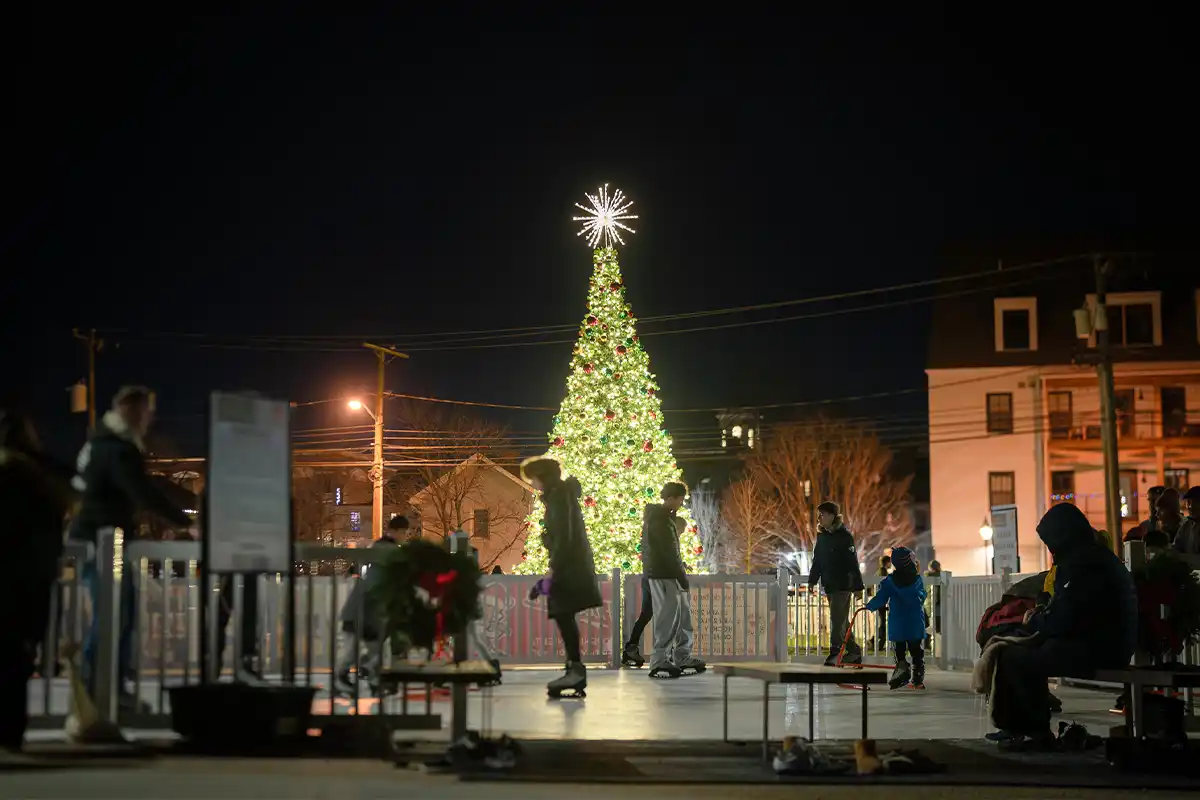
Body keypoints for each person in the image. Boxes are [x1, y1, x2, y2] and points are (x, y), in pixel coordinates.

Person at [69, 387, 193, 704]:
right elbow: (142, 491)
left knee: (118, 610)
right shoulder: (118, 448)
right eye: (147, 412)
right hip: (102, 541)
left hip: (97, 538)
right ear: (132, 411)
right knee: (115, 611)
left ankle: (106, 683)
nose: (150, 419)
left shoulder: (99, 443)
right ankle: (101, 684)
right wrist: (185, 522)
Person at [987, 503, 1136, 750]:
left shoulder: (1084, 564)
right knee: (1017, 651)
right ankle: (1018, 728)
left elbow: (1066, 617)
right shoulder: (1091, 557)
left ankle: (1032, 731)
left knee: (1015, 657)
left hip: (1099, 648)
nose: (1051, 549)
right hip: (1101, 642)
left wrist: (1035, 621)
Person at [0, 409, 75, 754]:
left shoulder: (14, 473)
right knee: (19, 654)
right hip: (33, 574)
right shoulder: (40, 476)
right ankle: (11, 731)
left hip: (15, 571)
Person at [521, 457, 602, 695]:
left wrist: (553, 569)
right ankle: (574, 670)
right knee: (563, 615)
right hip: (571, 564)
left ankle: (575, 672)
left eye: (533, 479)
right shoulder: (560, 497)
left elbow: (564, 537)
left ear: (543, 477)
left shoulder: (559, 498)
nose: (533, 484)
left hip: (570, 567)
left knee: (563, 614)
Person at [334, 514, 404, 695]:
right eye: (404, 532)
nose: (405, 537)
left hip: (361, 610)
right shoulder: (388, 556)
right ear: (398, 531)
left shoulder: (376, 553)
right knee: (370, 649)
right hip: (368, 611)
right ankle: (366, 678)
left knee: (359, 649)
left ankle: (352, 677)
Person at [642, 482, 705, 679]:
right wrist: (680, 575)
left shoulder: (665, 519)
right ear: (670, 498)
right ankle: (660, 660)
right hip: (664, 575)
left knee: (682, 616)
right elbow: (668, 553)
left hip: (669, 574)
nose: (680, 503)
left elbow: (670, 552)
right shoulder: (659, 520)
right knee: (668, 619)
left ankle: (681, 656)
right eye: (679, 500)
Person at [808, 501, 864, 666]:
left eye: (822, 514)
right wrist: (812, 580)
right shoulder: (822, 537)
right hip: (829, 584)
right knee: (842, 621)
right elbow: (817, 561)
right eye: (818, 515)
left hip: (843, 585)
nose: (819, 518)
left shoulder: (844, 537)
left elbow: (852, 562)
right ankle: (853, 652)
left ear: (832, 516)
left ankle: (835, 652)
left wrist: (858, 586)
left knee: (836, 620)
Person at [865, 547, 927, 689]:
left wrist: (870, 606)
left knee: (899, 650)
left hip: (898, 622)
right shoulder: (917, 580)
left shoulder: (890, 582)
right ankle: (917, 678)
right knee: (916, 650)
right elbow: (922, 595)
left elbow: (881, 597)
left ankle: (901, 670)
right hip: (914, 621)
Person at [1171, 486, 1199, 554]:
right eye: (1188, 503)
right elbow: (1176, 547)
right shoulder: (1186, 525)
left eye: (1196, 502)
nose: (1190, 507)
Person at [873, 554, 892, 652]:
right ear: (887, 562)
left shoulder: (879, 571)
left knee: (883, 622)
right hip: (882, 601)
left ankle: (875, 641)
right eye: (890, 562)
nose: (891, 564)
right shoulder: (883, 572)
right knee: (884, 623)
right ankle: (878, 643)